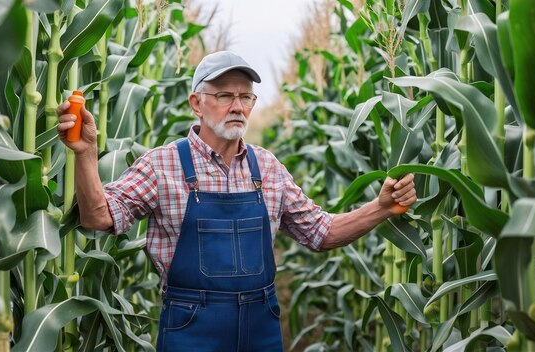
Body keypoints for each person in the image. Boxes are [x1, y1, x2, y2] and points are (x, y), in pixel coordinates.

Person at [56, 51, 417, 351]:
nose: (238, 106)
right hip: (192, 328)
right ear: (197, 103)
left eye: (245, 97)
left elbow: (320, 232)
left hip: (261, 328)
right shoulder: (160, 164)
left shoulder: (268, 167)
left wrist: (382, 208)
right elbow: (98, 218)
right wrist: (86, 154)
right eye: (225, 96)